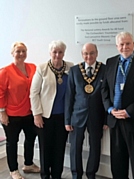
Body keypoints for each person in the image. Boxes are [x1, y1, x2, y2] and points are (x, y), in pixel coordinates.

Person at [101, 31, 134, 179]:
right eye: (121, 44)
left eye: (128, 43)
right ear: (117, 46)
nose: (125, 47)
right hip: (115, 120)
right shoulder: (110, 62)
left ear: (133, 44)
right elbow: (104, 89)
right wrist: (110, 109)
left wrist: (129, 111)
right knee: (117, 162)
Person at [30, 40, 74, 179]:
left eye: (60, 52)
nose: (57, 55)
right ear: (50, 53)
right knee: (45, 148)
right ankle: (45, 175)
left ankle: (57, 175)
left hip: (64, 117)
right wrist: (36, 114)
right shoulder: (42, 68)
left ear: (64, 53)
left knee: (59, 148)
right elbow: (34, 93)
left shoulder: (70, 67)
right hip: (45, 117)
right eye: (54, 52)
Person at [65, 43, 107, 179]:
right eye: (86, 53)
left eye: (92, 53)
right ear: (82, 55)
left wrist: (106, 119)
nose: (89, 56)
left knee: (95, 147)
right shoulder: (75, 70)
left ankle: (91, 174)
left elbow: (108, 96)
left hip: (97, 116)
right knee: (75, 147)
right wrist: (67, 120)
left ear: (97, 53)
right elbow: (69, 96)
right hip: (77, 115)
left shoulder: (105, 70)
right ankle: (76, 174)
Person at [0, 42, 40, 179]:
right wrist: (2, 113)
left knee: (30, 139)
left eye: (23, 51)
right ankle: (13, 170)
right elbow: (0, 93)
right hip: (12, 115)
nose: (21, 54)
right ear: (12, 53)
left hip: (29, 113)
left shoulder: (33, 67)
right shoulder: (5, 71)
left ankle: (28, 164)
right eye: (18, 51)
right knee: (12, 142)